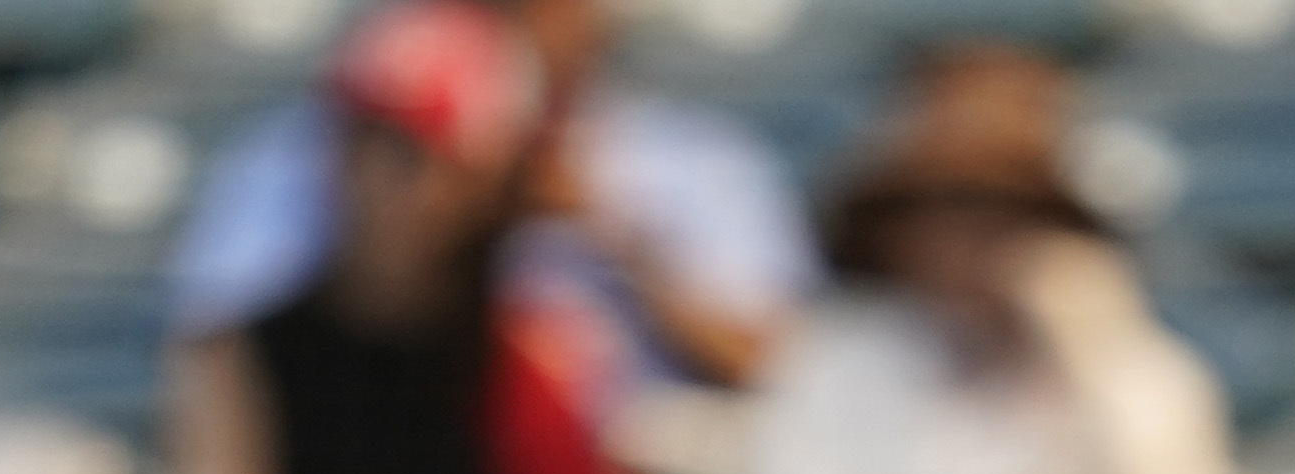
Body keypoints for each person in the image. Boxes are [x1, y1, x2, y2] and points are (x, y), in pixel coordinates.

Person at [745, 48, 1242, 474]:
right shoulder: (841, 359)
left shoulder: (1132, 363)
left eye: (1002, 217)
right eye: (942, 215)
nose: (967, 245)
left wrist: (1100, 350)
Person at [167, 0, 645, 474]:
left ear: (485, 180)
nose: (379, 175)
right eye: (361, 136)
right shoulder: (237, 359)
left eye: (416, 151)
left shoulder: (535, 356)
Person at [167, 0, 814, 400]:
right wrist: (416, 226)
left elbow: (774, 368)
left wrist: (606, 235)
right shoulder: (316, 153)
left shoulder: (695, 155)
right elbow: (220, 367)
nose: (513, 29)